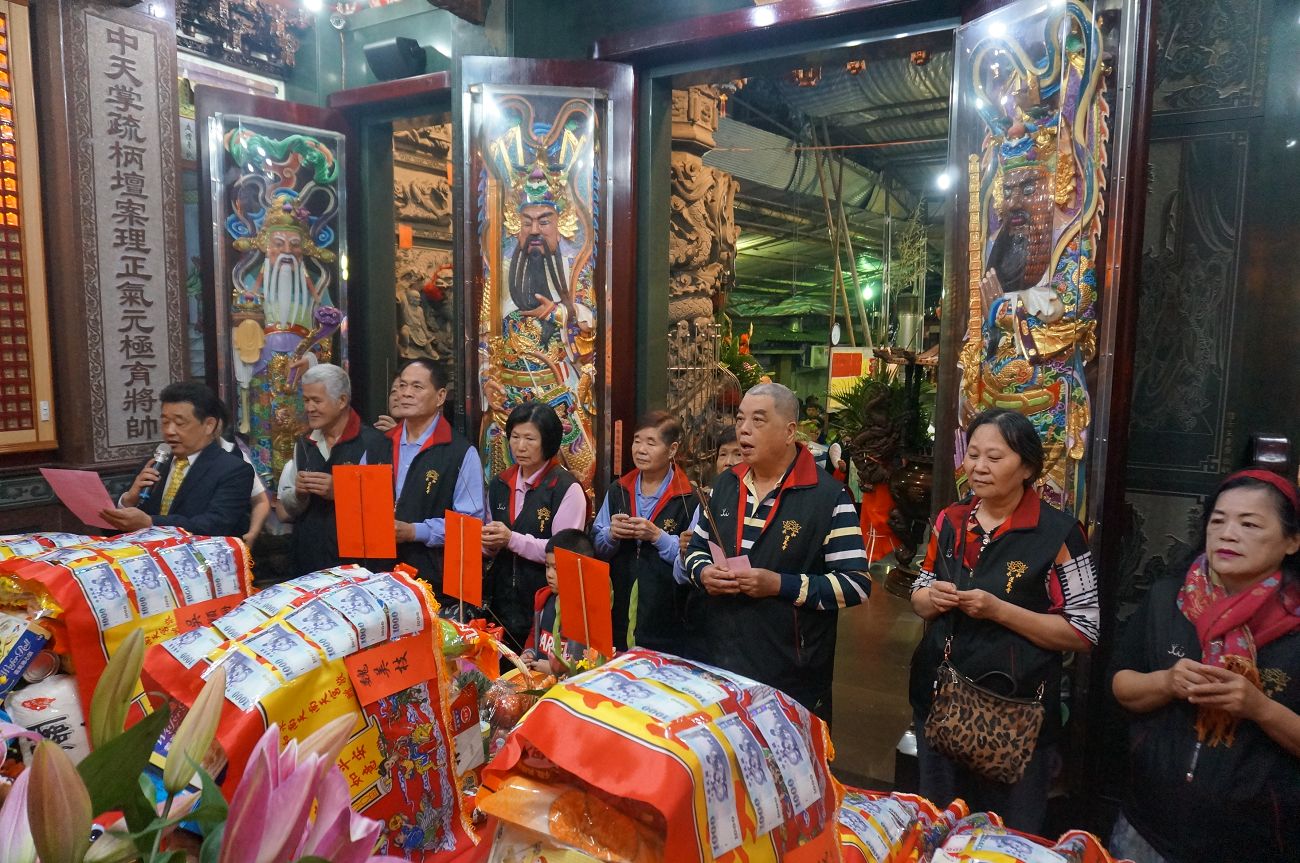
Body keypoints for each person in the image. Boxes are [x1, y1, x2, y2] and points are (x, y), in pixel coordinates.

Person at [908, 408, 1099, 833]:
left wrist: (999, 610)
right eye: (973, 455)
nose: (978, 467)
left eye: (994, 457)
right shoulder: (950, 520)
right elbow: (919, 594)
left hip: (1014, 717)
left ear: (1027, 467)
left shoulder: (1061, 534)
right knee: (939, 826)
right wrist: (931, 598)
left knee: (1006, 836)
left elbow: (1083, 631)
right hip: (939, 706)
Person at [1108, 471, 1300, 862]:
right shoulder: (1169, 599)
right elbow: (1121, 685)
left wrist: (1260, 708)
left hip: (1254, 844)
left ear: (1292, 541)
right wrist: (1167, 682)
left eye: (1249, 524)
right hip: (1146, 827)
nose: (1228, 534)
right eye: (1218, 520)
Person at [683, 383, 872, 721]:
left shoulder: (828, 496)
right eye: (740, 419)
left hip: (791, 671)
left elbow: (855, 584)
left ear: (789, 432)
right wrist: (704, 573)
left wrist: (779, 584)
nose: (744, 429)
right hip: (720, 658)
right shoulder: (727, 484)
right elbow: (697, 548)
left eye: (758, 420)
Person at [482, 402, 587, 651]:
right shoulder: (499, 483)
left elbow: (563, 554)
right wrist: (488, 543)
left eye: (530, 439)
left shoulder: (566, 488)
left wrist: (511, 539)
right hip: (501, 604)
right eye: (515, 437)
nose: (520, 446)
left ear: (548, 441)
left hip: (546, 606)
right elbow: (491, 538)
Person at [593, 411, 697, 655]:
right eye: (637, 440)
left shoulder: (689, 498)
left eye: (651, 443)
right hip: (618, 606)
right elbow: (596, 545)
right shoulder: (618, 490)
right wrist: (611, 534)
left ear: (672, 450)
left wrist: (657, 537)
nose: (640, 449)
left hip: (666, 613)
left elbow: (692, 558)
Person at [275, 364, 391, 577]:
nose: (309, 408)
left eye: (316, 400)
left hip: (356, 568)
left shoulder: (374, 443)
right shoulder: (304, 445)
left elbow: (385, 510)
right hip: (307, 563)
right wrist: (299, 494)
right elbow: (288, 508)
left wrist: (342, 491)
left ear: (342, 401)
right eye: (306, 400)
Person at [388, 359, 486, 599]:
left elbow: (470, 525)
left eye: (417, 387)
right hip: (381, 576)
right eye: (402, 385)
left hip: (432, 582)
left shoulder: (460, 452)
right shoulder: (380, 443)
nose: (405, 393)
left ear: (440, 396)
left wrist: (415, 531)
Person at [103, 382, 254, 537]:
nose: (169, 431)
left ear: (209, 425)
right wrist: (128, 500)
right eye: (165, 422)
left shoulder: (234, 470)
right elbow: (112, 529)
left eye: (180, 423)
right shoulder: (155, 464)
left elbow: (214, 525)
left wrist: (151, 523)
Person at [521, 528, 597, 675]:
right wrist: (529, 653)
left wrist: (555, 671)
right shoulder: (543, 599)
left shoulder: (587, 611)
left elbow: (590, 666)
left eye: (556, 568)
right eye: (547, 566)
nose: (549, 574)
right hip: (538, 680)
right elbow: (534, 635)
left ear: (579, 568)